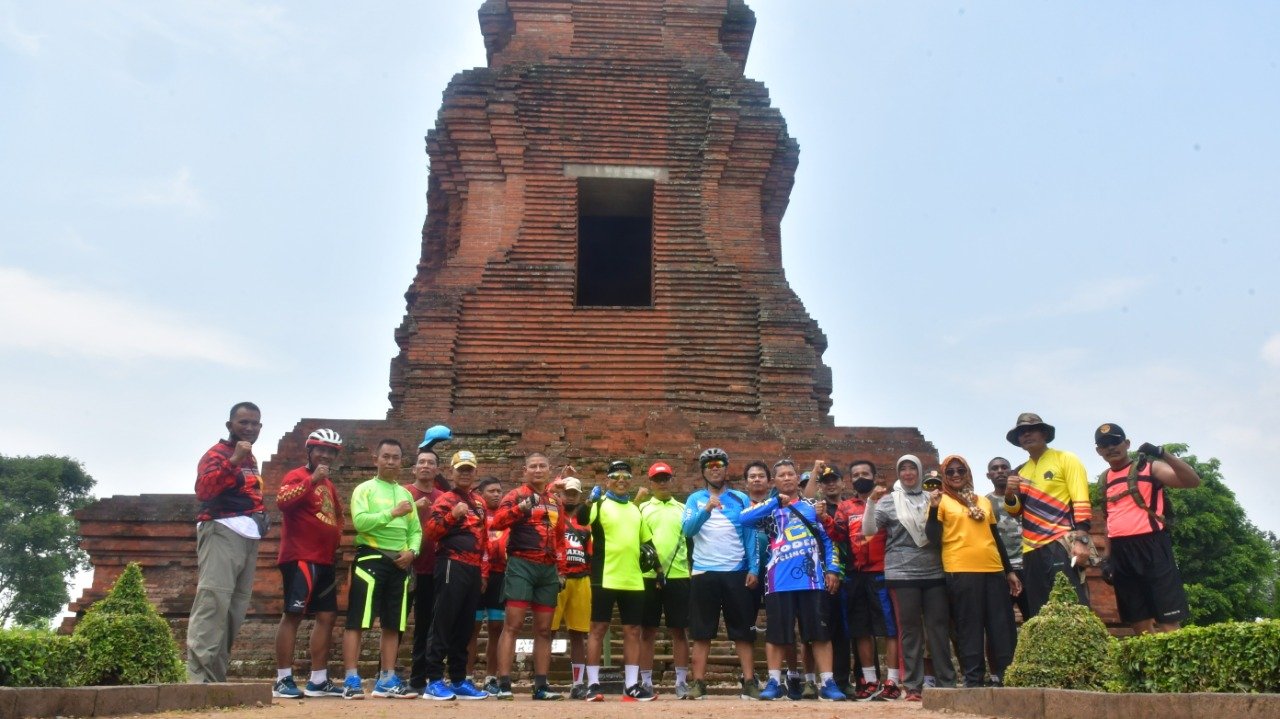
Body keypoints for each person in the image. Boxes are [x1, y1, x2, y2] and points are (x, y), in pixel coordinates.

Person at [738, 460, 845, 701]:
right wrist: (774, 502)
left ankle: (827, 681)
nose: (786, 478)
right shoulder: (769, 508)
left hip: (813, 579)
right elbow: (743, 519)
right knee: (777, 634)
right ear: (774, 482)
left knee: (819, 633)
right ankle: (775, 681)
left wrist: (833, 569)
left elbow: (829, 540)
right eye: (781, 475)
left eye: (790, 474)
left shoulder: (812, 506)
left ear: (798, 478)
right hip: (778, 581)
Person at [862, 454, 955, 701]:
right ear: (898, 473)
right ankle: (913, 686)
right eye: (902, 469)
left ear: (920, 471)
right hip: (902, 573)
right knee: (910, 630)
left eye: (912, 468)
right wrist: (871, 503)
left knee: (938, 628)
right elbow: (868, 531)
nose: (907, 473)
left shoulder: (934, 498)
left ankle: (947, 682)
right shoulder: (889, 501)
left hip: (934, 570)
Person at [925, 455, 1020, 687]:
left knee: (1001, 625)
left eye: (960, 471)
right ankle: (973, 678)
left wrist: (1009, 571)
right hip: (961, 569)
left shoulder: (983, 502)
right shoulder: (941, 501)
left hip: (993, 568)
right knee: (970, 626)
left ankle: (1008, 676)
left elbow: (995, 537)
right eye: (951, 472)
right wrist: (933, 510)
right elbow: (933, 538)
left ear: (967, 473)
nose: (956, 475)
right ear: (945, 476)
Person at [188, 401, 267, 683]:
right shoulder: (218, 453)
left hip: (248, 535)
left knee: (235, 609)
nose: (249, 427)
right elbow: (203, 489)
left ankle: (216, 679)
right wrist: (232, 460)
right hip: (221, 529)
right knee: (213, 601)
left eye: (254, 423)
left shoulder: (251, 459)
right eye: (243, 422)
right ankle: (198, 681)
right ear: (229, 425)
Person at [1095, 423, 1199, 633]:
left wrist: (1163, 454)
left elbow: (1192, 481)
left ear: (1126, 444)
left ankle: (1177, 665)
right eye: (1104, 444)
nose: (1110, 448)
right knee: (1138, 620)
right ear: (1098, 450)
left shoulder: (1150, 467)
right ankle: (1150, 665)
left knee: (1167, 618)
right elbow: (1109, 520)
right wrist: (1106, 558)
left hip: (1152, 546)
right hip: (1121, 552)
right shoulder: (1105, 478)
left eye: (1115, 442)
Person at [340, 439, 421, 700]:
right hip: (370, 560)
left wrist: (412, 552)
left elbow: (416, 530)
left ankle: (386, 678)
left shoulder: (406, 494)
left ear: (402, 461)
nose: (390, 461)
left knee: (393, 624)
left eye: (395, 457)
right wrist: (392, 513)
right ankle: (351, 679)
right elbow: (361, 523)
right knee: (358, 621)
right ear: (375, 459)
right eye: (385, 456)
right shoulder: (365, 489)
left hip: (400, 564)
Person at [681, 448, 761, 700]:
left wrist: (754, 567)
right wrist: (706, 509)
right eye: (709, 465)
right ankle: (699, 683)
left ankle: (749, 681)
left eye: (719, 464)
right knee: (701, 632)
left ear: (726, 469)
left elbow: (751, 535)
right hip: (704, 572)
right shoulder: (695, 499)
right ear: (703, 471)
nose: (715, 468)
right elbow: (687, 530)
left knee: (743, 632)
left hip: (736, 571)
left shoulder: (740, 499)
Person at [272, 428, 346, 698]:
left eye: (331, 451)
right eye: (320, 450)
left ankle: (318, 679)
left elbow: (337, 516)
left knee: (327, 616)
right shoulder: (298, 475)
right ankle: (282, 679)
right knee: (293, 614)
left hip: (324, 559)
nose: (325, 455)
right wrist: (312, 480)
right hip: (300, 556)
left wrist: (336, 538)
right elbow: (282, 502)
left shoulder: (330, 485)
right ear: (310, 451)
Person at [490, 451, 567, 700]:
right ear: (525, 471)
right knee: (512, 625)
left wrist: (562, 569)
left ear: (548, 469)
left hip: (547, 568)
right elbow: (497, 523)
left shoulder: (556, 502)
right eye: (532, 466)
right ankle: (503, 684)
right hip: (521, 563)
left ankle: (541, 686)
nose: (537, 470)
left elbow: (560, 539)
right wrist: (521, 509)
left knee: (544, 630)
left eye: (541, 466)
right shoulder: (515, 496)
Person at [1002, 412, 1093, 617]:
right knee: (1040, 611)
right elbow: (1015, 512)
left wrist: (1082, 540)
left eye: (1031, 429)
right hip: (1031, 549)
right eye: (1021, 432)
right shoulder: (1019, 472)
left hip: (1060, 542)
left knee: (1073, 606)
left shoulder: (1065, 459)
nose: (1026, 435)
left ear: (1044, 433)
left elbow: (1081, 500)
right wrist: (1009, 494)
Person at [579, 461, 655, 701]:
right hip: (605, 575)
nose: (621, 480)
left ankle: (631, 686)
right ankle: (592, 684)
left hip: (633, 578)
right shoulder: (599, 505)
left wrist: (659, 568)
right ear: (607, 481)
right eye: (615, 476)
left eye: (625, 476)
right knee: (598, 629)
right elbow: (581, 519)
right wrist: (590, 500)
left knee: (633, 630)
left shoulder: (636, 509)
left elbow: (647, 542)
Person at [419, 451, 490, 700]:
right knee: (443, 621)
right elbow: (431, 532)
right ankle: (434, 680)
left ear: (475, 472)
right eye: (460, 469)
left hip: (472, 569)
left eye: (469, 469)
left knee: (464, 625)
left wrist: (483, 572)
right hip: (451, 564)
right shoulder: (446, 500)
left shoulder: (479, 502)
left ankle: (459, 680)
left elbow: (483, 540)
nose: (465, 473)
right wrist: (453, 515)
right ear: (452, 472)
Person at [833, 460, 901, 701]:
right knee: (861, 629)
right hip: (854, 575)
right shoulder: (845, 507)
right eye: (856, 474)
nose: (861, 477)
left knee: (889, 629)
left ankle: (892, 679)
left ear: (874, 476)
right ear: (851, 480)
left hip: (881, 571)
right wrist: (823, 520)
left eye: (865, 473)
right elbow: (838, 535)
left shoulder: (889, 501)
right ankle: (870, 680)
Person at [638, 462, 691, 698]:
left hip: (678, 574)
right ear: (650, 482)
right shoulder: (641, 508)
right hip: (647, 576)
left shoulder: (683, 508)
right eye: (657, 479)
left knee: (679, 631)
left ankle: (681, 681)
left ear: (672, 480)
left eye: (665, 478)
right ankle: (646, 681)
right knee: (647, 631)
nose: (662, 483)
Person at [406, 448, 443, 694]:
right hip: (405, 566)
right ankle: (384, 674)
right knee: (395, 623)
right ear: (414, 468)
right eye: (422, 462)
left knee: (425, 626)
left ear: (437, 470)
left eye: (431, 463)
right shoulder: (404, 492)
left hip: (433, 568)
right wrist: (411, 507)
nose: (426, 466)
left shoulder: (444, 497)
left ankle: (419, 679)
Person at [551, 473, 592, 698]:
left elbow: (592, 553)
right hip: (556, 578)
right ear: (560, 494)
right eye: (566, 493)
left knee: (578, 633)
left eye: (574, 493)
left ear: (579, 496)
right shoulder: (552, 515)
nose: (570, 497)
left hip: (581, 578)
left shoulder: (586, 521)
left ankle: (577, 683)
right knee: (548, 631)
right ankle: (542, 681)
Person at [470, 476, 508, 693]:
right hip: (476, 574)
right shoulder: (475, 514)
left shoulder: (506, 516)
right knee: (471, 628)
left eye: (499, 491)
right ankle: (466, 676)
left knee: (496, 628)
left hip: (499, 575)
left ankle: (490, 678)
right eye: (491, 491)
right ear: (481, 494)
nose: (496, 494)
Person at [985, 457, 1030, 620]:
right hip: (1001, 568)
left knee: (1034, 615)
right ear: (988, 475)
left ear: (1011, 472)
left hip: (1027, 564)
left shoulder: (1024, 498)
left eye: (1004, 467)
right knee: (999, 620)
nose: (1000, 471)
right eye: (995, 468)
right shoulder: (985, 503)